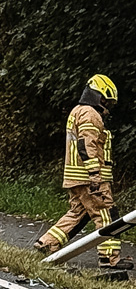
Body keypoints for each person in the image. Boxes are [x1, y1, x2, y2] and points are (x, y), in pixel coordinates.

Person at [34, 74, 133, 271]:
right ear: (98, 96)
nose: (107, 108)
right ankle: (109, 258)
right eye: (107, 101)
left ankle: (47, 244)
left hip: (75, 176)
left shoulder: (77, 112)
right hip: (89, 177)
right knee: (107, 215)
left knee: (78, 214)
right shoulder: (90, 114)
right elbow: (86, 145)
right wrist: (95, 174)